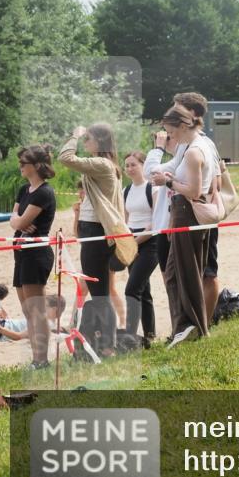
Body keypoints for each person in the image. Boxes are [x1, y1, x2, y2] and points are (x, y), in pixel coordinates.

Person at [60, 125, 137, 357]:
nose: (85, 142)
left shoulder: (102, 164)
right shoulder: (106, 164)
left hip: (95, 230)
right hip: (93, 229)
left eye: (88, 139)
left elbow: (65, 158)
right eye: (84, 139)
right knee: (101, 291)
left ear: (100, 141)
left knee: (100, 293)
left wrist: (74, 135)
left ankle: (107, 346)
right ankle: (106, 344)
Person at [157, 104, 216, 346]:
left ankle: (193, 326)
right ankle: (182, 326)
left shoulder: (194, 152)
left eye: (172, 132)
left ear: (183, 126)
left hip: (187, 211)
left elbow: (193, 191)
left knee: (187, 272)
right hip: (183, 211)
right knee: (173, 273)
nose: (171, 137)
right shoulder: (197, 147)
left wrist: (168, 182)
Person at [8, 145, 57, 367]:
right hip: (21, 252)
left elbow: (20, 221)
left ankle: (42, 359)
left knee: (36, 310)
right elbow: (15, 219)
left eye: (23, 163)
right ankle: (37, 358)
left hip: (36, 253)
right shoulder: (23, 189)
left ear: (36, 166)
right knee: (27, 311)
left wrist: (18, 220)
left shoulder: (44, 192)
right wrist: (17, 220)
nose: (20, 166)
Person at [122, 151, 158, 346]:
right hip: (131, 241)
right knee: (143, 290)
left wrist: (135, 242)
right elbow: (124, 219)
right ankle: (150, 335)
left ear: (143, 165)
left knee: (132, 290)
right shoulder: (125, 190)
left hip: (150, 243)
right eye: (127, 165)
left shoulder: (152, 188)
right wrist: (128, 241)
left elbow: (156, 221)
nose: (130, 168)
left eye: (134, 164)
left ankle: (129, 337)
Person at [0, 294, 65, 343]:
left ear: (54, 309)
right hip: (1, 323)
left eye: (45, 305)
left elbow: (18, 336)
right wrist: (4, 314)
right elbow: (17, 325)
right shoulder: (45, 320)